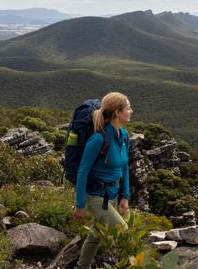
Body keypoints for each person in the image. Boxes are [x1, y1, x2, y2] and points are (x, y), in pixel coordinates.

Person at [74, 92, 133, 269]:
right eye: (128, 107)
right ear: (117, 112)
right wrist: (80, 204)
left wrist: (125, 195)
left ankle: (81, 267)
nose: (131, 111)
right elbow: (82, 172)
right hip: (95, 196)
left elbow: (124, 166)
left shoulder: (123, 136)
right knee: (124, 232)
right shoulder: (98, 139)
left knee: (95, 235)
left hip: (112, 195)